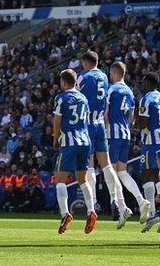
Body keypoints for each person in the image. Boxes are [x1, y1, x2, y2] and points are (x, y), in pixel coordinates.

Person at [78, 52, 130, 229]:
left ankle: (94, 203)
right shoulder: (104, 77)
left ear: (86, 63)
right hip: (101, 124)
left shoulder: (83, 76)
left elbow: (77, 98)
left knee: (89, 165)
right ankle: (114, 199)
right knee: (107, 165)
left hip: (87, 123)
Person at [105, 61, 151, 223]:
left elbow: (106, 113)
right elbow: (132, 117)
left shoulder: (112, 89)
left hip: (113, 134)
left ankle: (122, 206)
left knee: (109, 170)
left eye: (111, 74)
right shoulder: (130, 92)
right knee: (122, 172)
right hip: (126, 134)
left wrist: (105, 130)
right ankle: (139, 200)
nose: (110, 77)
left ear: (116, 73)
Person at [53, 68, 97, 234]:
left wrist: (55, 139)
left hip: (69, 141)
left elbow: (57, 122)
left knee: (59, 180)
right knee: (82, 179)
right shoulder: (83, 98)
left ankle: (65, 213)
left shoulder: (61, 98)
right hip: (85, 141)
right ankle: (91, 210)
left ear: (64, 82)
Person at [135, 73, 160, 232]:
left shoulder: (146, 98)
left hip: (151, 140)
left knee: (146, 174)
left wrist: (135, 121)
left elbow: (143, 123)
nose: (142, 84)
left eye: (144, 81)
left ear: (148, 82)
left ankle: (152, 213)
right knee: (159, 177)